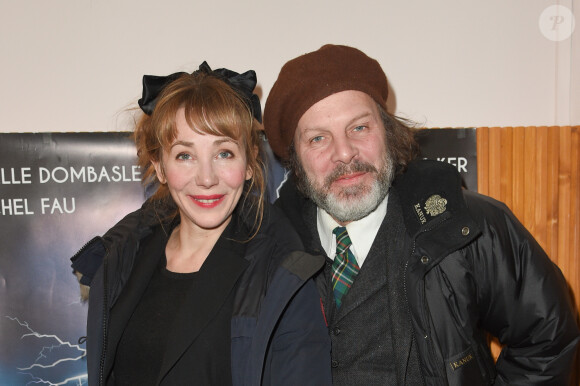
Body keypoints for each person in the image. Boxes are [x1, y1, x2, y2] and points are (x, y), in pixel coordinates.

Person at [262, 44, 580, 385]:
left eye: (359, 128)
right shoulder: (268, 250)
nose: (344, 153)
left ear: (386, 131)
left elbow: (548, 340)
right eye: (318, 138)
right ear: (295, 159)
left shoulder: (468, 226)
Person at [70, 62, 332, 385]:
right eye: (185, 155)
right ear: (160, 167)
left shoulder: (284, 277)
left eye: (224, 153)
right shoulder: (125, 258)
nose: (207, 178)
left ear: (249, 163)